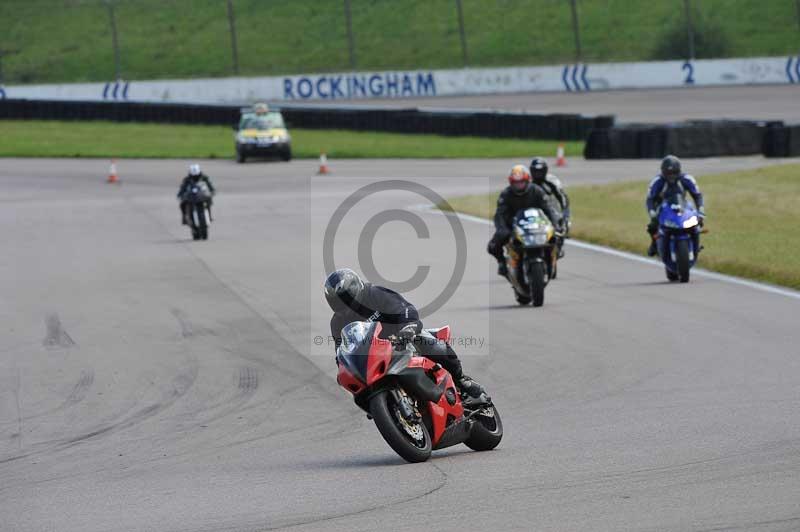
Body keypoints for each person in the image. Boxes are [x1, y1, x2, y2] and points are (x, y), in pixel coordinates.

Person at [324, 268, 485, 398]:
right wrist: (343, 369)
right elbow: (341, 350)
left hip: (403, 339)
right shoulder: (337, 322)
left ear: (356, 290)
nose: (344, 304)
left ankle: (462, 380)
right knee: (360, 393)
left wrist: (408, 328)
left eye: (347, 298)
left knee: (428, 343)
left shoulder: (374, 294)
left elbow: (404, 308)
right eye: (338, 301)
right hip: (375, 357)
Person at [487, 164, 561, 277]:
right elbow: (499, 215)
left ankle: (552, 260)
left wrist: (555, 225)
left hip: (536, 224)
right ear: (511, 182)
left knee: (555, 237)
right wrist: (502, 229)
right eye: (516, 183)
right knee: (493, 245)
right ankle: (502, 262)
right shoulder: (505, 194)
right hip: (514, 225)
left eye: (521, 182)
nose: (519, 185)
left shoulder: (537, 191)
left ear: (527, 180)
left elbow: (549, 209)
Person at [645, 155, 705, 256]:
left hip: (683, 206)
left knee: (697, 222)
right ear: (663, 172)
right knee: (652, 225)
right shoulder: (657, 181)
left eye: (674, 173)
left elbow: (697, 195)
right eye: (668, 173)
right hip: (663, 207)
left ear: (679, 171)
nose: (671, 176)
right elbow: (650, 199)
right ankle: (654, 243)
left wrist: (701, 211)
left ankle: (695, 245)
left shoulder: (687, 179)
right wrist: (652, 212)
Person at [530, 157, 570, 257]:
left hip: (550, 209)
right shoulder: (527, 182)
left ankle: (558, 247)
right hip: (532, 210)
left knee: (561, 224)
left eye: (540, 171)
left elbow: (563, 197)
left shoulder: (552, 181)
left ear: (545, 170)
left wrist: (565, 214)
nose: (538, 174)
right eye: (536, 171)